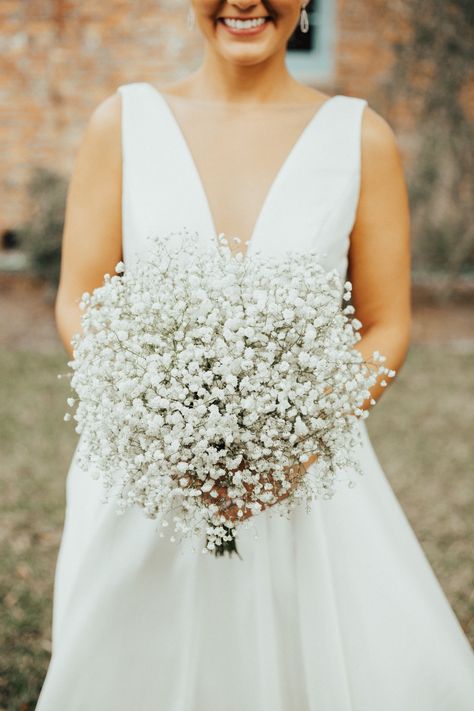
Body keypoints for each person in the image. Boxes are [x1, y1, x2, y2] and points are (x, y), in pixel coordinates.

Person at [36, 2, 474, 709]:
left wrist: (297, 442)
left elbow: (387, 323)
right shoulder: (122, 125)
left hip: (308, 488)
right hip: (144, 480)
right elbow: (77, 302)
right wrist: (155, 421)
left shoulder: (360, 138)